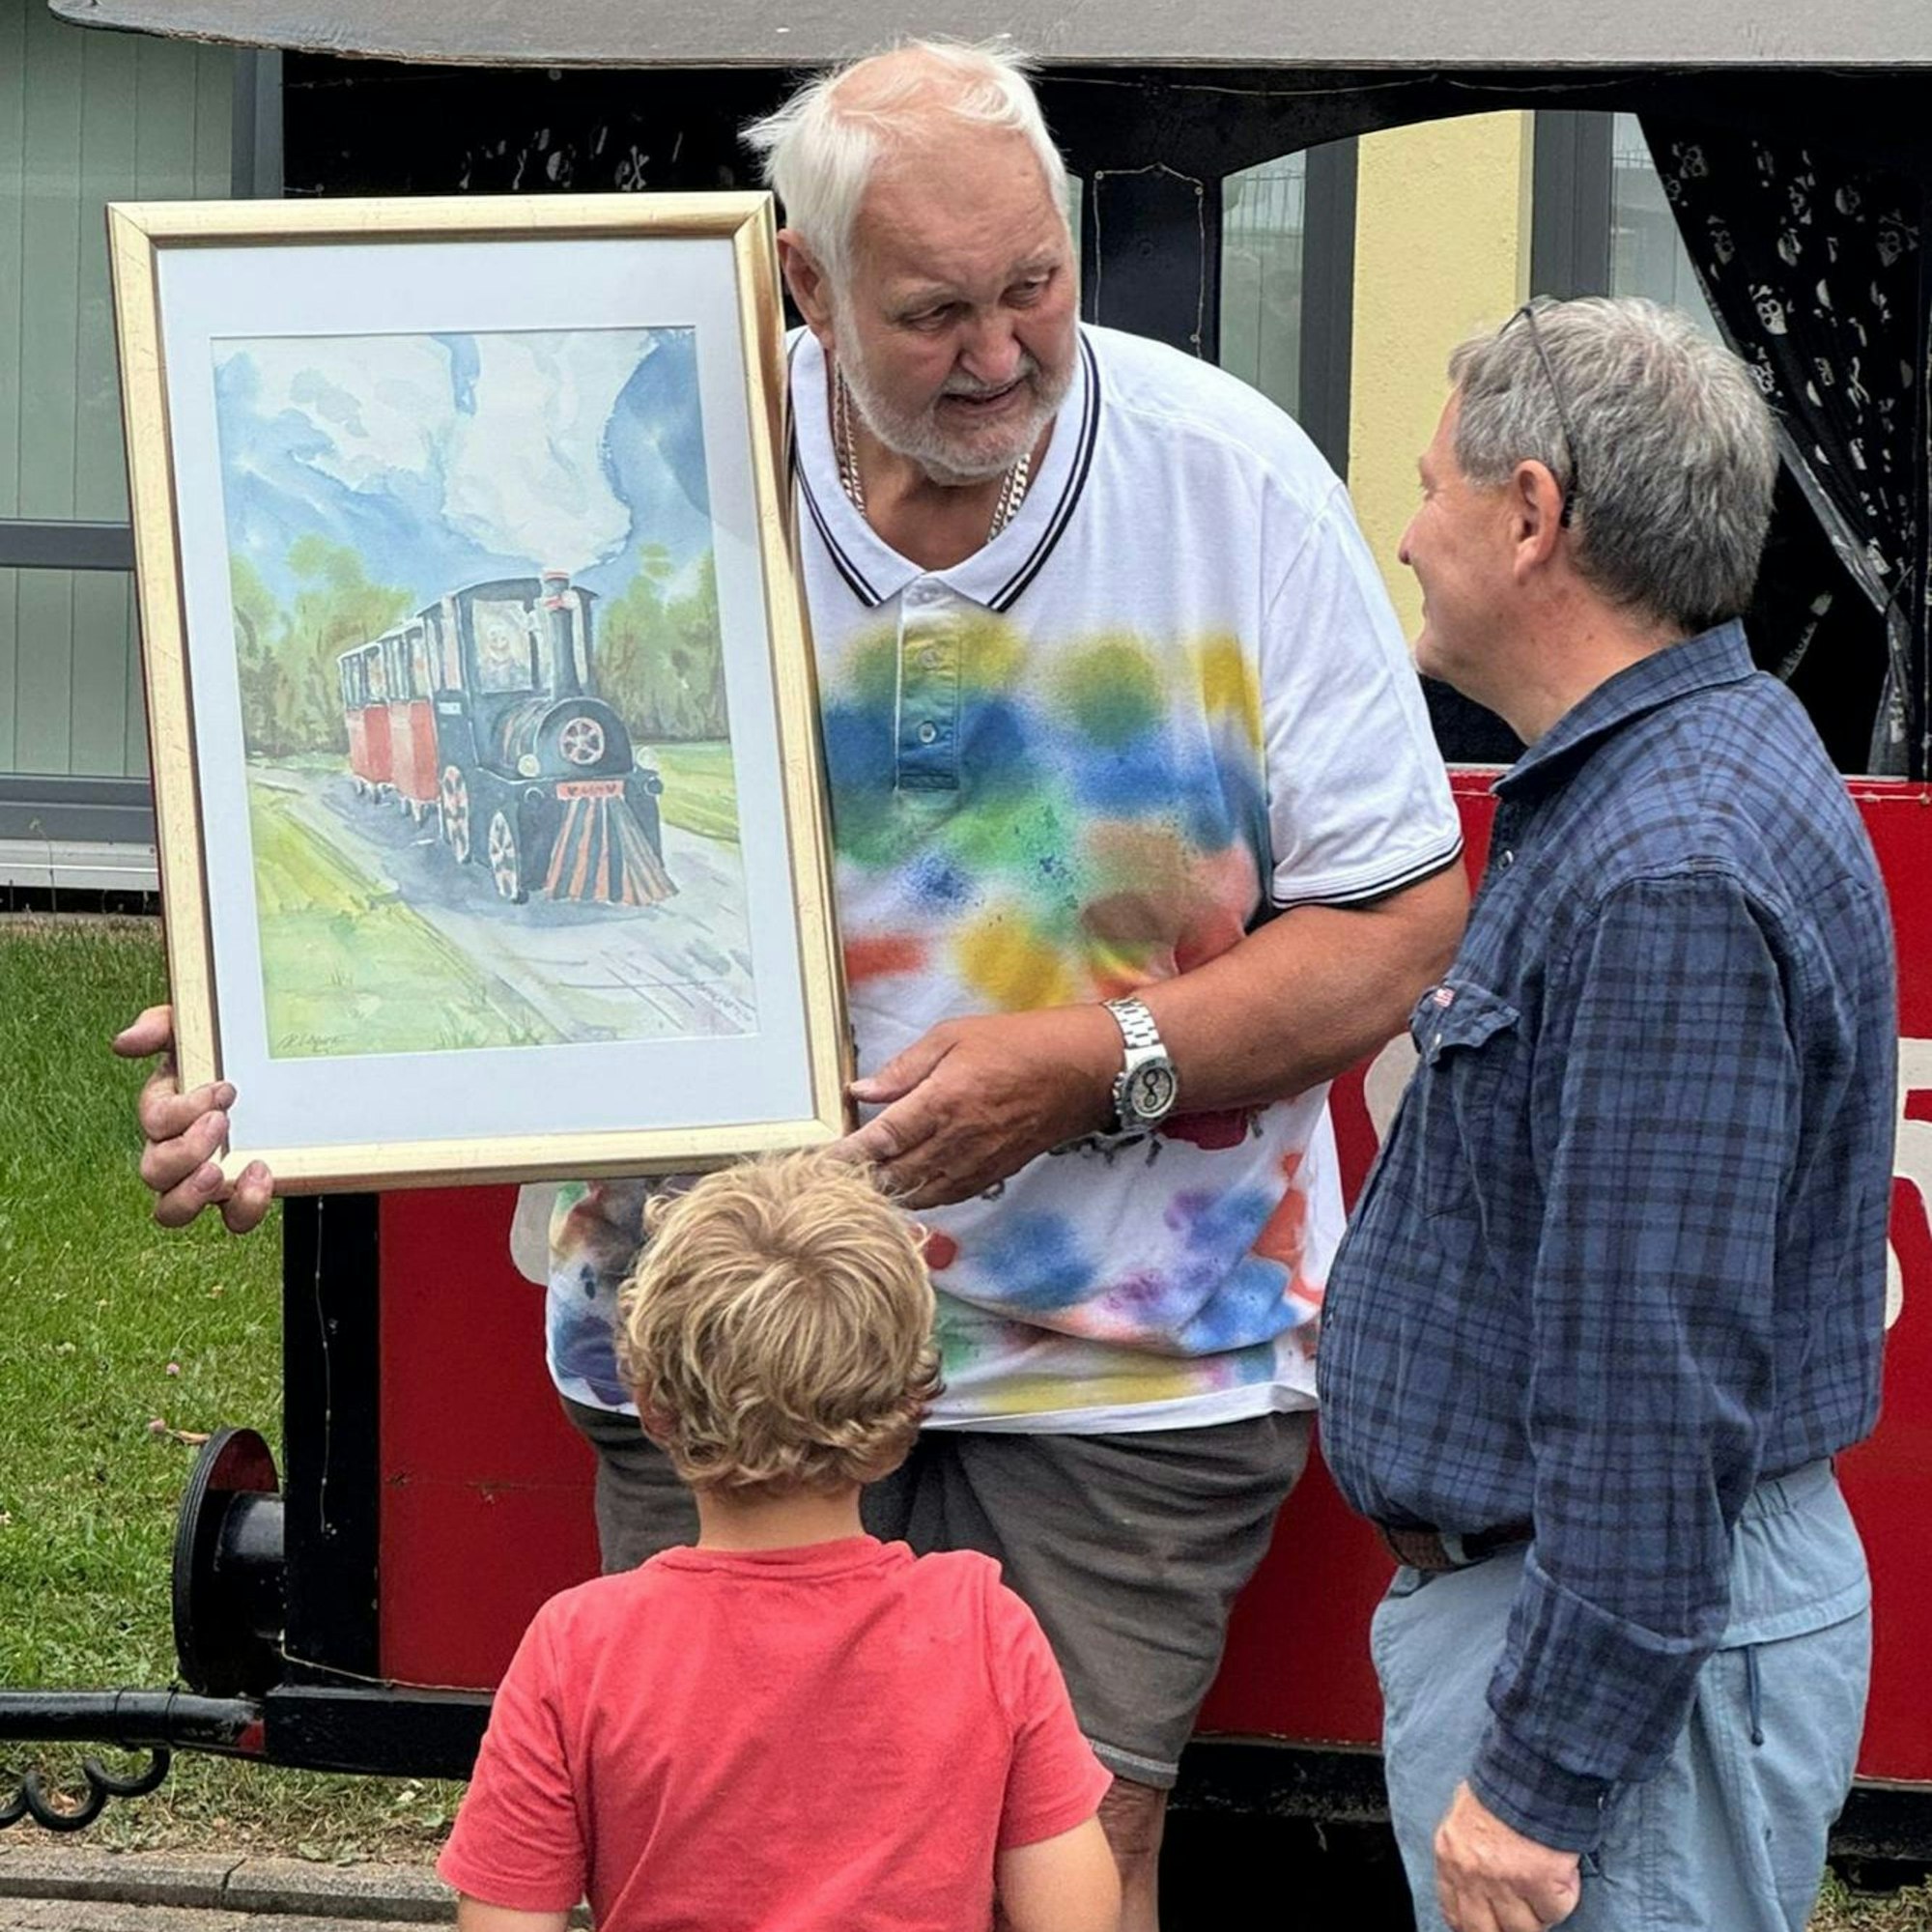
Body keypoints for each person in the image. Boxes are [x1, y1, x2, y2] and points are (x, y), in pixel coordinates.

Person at [119, 42, 1466, 1924]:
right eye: (934, 313)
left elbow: (1402, 923)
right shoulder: (631, 456)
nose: (1002, 349)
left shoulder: (1233, 486)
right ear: (802, 287)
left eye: (1035, 285)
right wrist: (285, 1039)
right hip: (714, 1340)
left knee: (1072, 1865)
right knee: (710, 1869)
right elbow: (458, 912)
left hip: (1121, 1364)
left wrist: (1104, 1057)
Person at [1318, 296, 1897, 1932]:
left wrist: (1541, 1780)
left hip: (1607, 1677)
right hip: (1622, 1640)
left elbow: (1652, 1392)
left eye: (1432, 486)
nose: (1410, 534)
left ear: (1531, 514)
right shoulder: (1681, 776)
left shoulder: (1671, 875)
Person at [438, 1149, 1119, 1932]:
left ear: (651, 1401)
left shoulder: (580, 1647)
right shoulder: (983, 1629)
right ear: (906, 1406)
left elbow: (505, 1919)